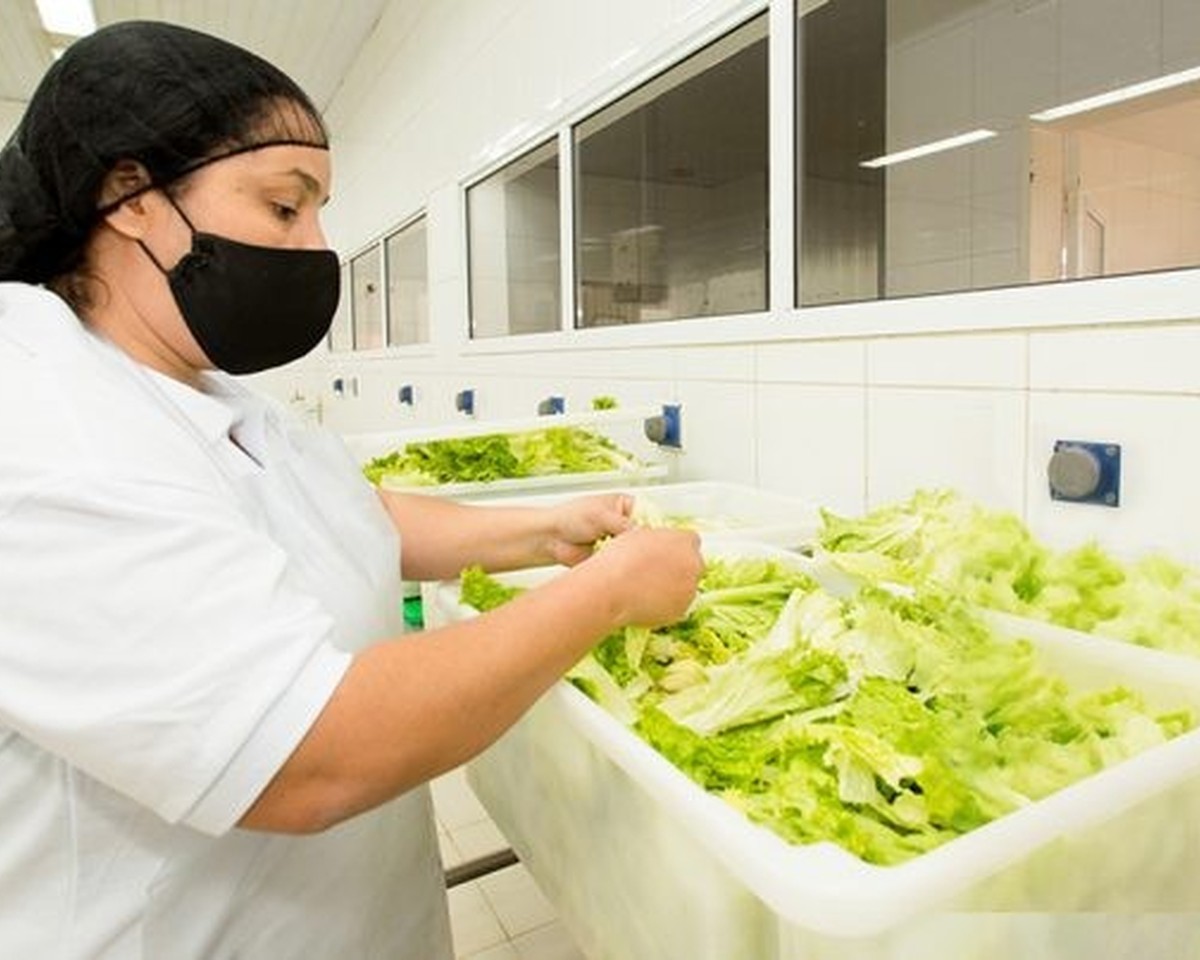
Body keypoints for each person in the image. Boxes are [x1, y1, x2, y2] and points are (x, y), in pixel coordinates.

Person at [0, 20, 703, 959]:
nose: (315, 247)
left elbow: (346, 516)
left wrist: (545, 529)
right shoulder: (44, 421)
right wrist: (607, 594)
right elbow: (307, 756)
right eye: (285, 207)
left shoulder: (197, 383)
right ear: (132, 198)